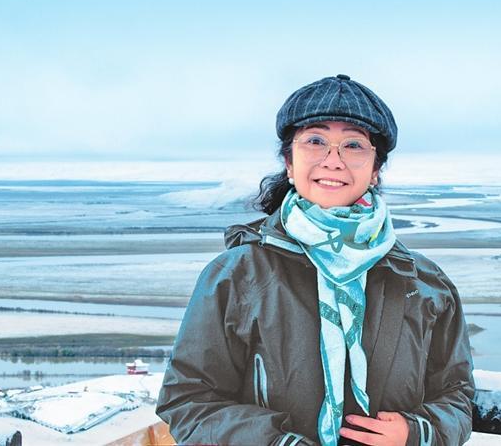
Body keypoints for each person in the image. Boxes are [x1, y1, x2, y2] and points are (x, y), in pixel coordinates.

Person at [156, 75, 475, 445]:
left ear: (375, 170)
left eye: (353, 145)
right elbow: (188, 402)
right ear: (289, 163)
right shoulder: (238, 275)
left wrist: (417, 432)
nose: (333, 161)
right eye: (315, 141)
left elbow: (457, 394)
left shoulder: (423, 282)